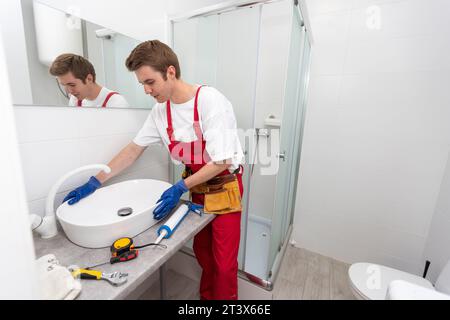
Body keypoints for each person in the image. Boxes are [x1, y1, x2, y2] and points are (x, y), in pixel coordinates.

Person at [62, 40, 245, 300]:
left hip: (224, 186)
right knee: (204, 254)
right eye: (142, 84)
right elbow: (134, 149)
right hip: (198, 188)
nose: (146, 90)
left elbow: (222, 161)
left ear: (170, 72)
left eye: (150, 82)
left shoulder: (209, 100)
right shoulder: (161, 111)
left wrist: (181, 187)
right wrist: (96, 180)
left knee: (224, 263)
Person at [49, 53, 129, 108]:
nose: (69, 91)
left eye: (72, 85)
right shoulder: (74, 100)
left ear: (89, 79)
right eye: (64, 85)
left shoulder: (117, 103)